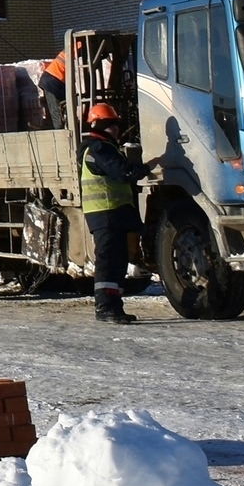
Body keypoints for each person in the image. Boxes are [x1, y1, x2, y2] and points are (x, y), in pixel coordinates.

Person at [80, 102, 140, 324]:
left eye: (115, 124)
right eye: (110, 124)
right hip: (104, 213)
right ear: (99, 126)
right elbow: (120, 172)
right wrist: (144, 167)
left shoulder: (104, 147)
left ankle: (114, 306)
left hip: (111, 214)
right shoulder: (98, 149)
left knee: (117, 262)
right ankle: (104, 308)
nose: (115, 129)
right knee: (108, 261)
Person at [38, 47, 69, 128]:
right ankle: (59, 135)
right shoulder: (80, 44)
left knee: (63, 111)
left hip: (56, 80)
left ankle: (57, 127)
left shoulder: (77, 45)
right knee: (57, 114)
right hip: (52, 80)